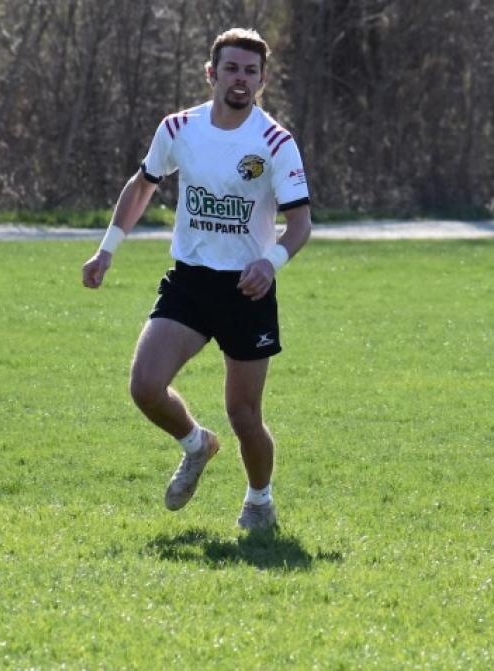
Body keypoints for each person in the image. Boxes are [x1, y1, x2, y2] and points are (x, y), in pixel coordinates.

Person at [81, 28, 311, 531]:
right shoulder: (178, 128)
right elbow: (142, 186)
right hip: (189, 282)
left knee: (245, 416)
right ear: (211, 73)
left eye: (251, 71)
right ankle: (196, 444)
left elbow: (300, 225)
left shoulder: (275, 142)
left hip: (246, 292)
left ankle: (259, 502)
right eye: (231, 68)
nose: (240, 79)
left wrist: (268, 263)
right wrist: (107, 250)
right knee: (145, 386)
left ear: (262, 80)